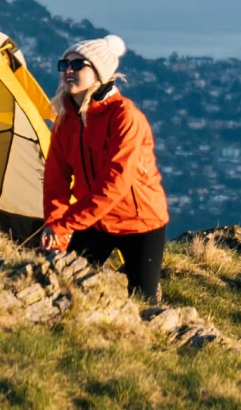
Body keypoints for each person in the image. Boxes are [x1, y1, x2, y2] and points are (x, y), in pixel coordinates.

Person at [40, 35, 171, 301]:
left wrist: (66, 224)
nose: (68, 70)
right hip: (96, 221)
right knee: (69, 286)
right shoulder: (66, 121)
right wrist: (57, 229)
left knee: (143, 302)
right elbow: (56, 180)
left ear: (100, 72)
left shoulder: (125, 116)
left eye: (78, 65)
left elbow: (115, 184)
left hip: (141, 222)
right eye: (65, 64)